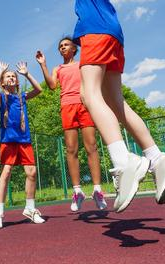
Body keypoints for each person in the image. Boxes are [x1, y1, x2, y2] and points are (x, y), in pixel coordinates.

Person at [28, 0, 165, 213]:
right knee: (116, 102)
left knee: (89, 95)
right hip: (114, 34)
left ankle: (124, 161)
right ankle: (157, 157)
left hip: (95, 31)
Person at [36, 38, 107, 211]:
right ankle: (77, 191)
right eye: (60, 46)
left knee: (91, 146)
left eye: (66, 44)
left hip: (85, 105)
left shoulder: (83, 64)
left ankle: (97, 190)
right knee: (70, 149)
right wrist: (43, 64)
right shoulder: (58, 69)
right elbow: (52, 86)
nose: (62, 47)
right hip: (67, 106)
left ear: (74, 48)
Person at [0, 61, 45, 230]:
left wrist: (26, 73)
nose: (12, 78)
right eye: (9, 76)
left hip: (24, 140)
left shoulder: (22, 97)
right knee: (6, 173)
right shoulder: (2, 98)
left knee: (32, 172)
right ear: (3, 82)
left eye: (13, 76)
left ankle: (30, 208)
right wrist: (0, 71)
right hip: (8, 140)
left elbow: (39, 90)